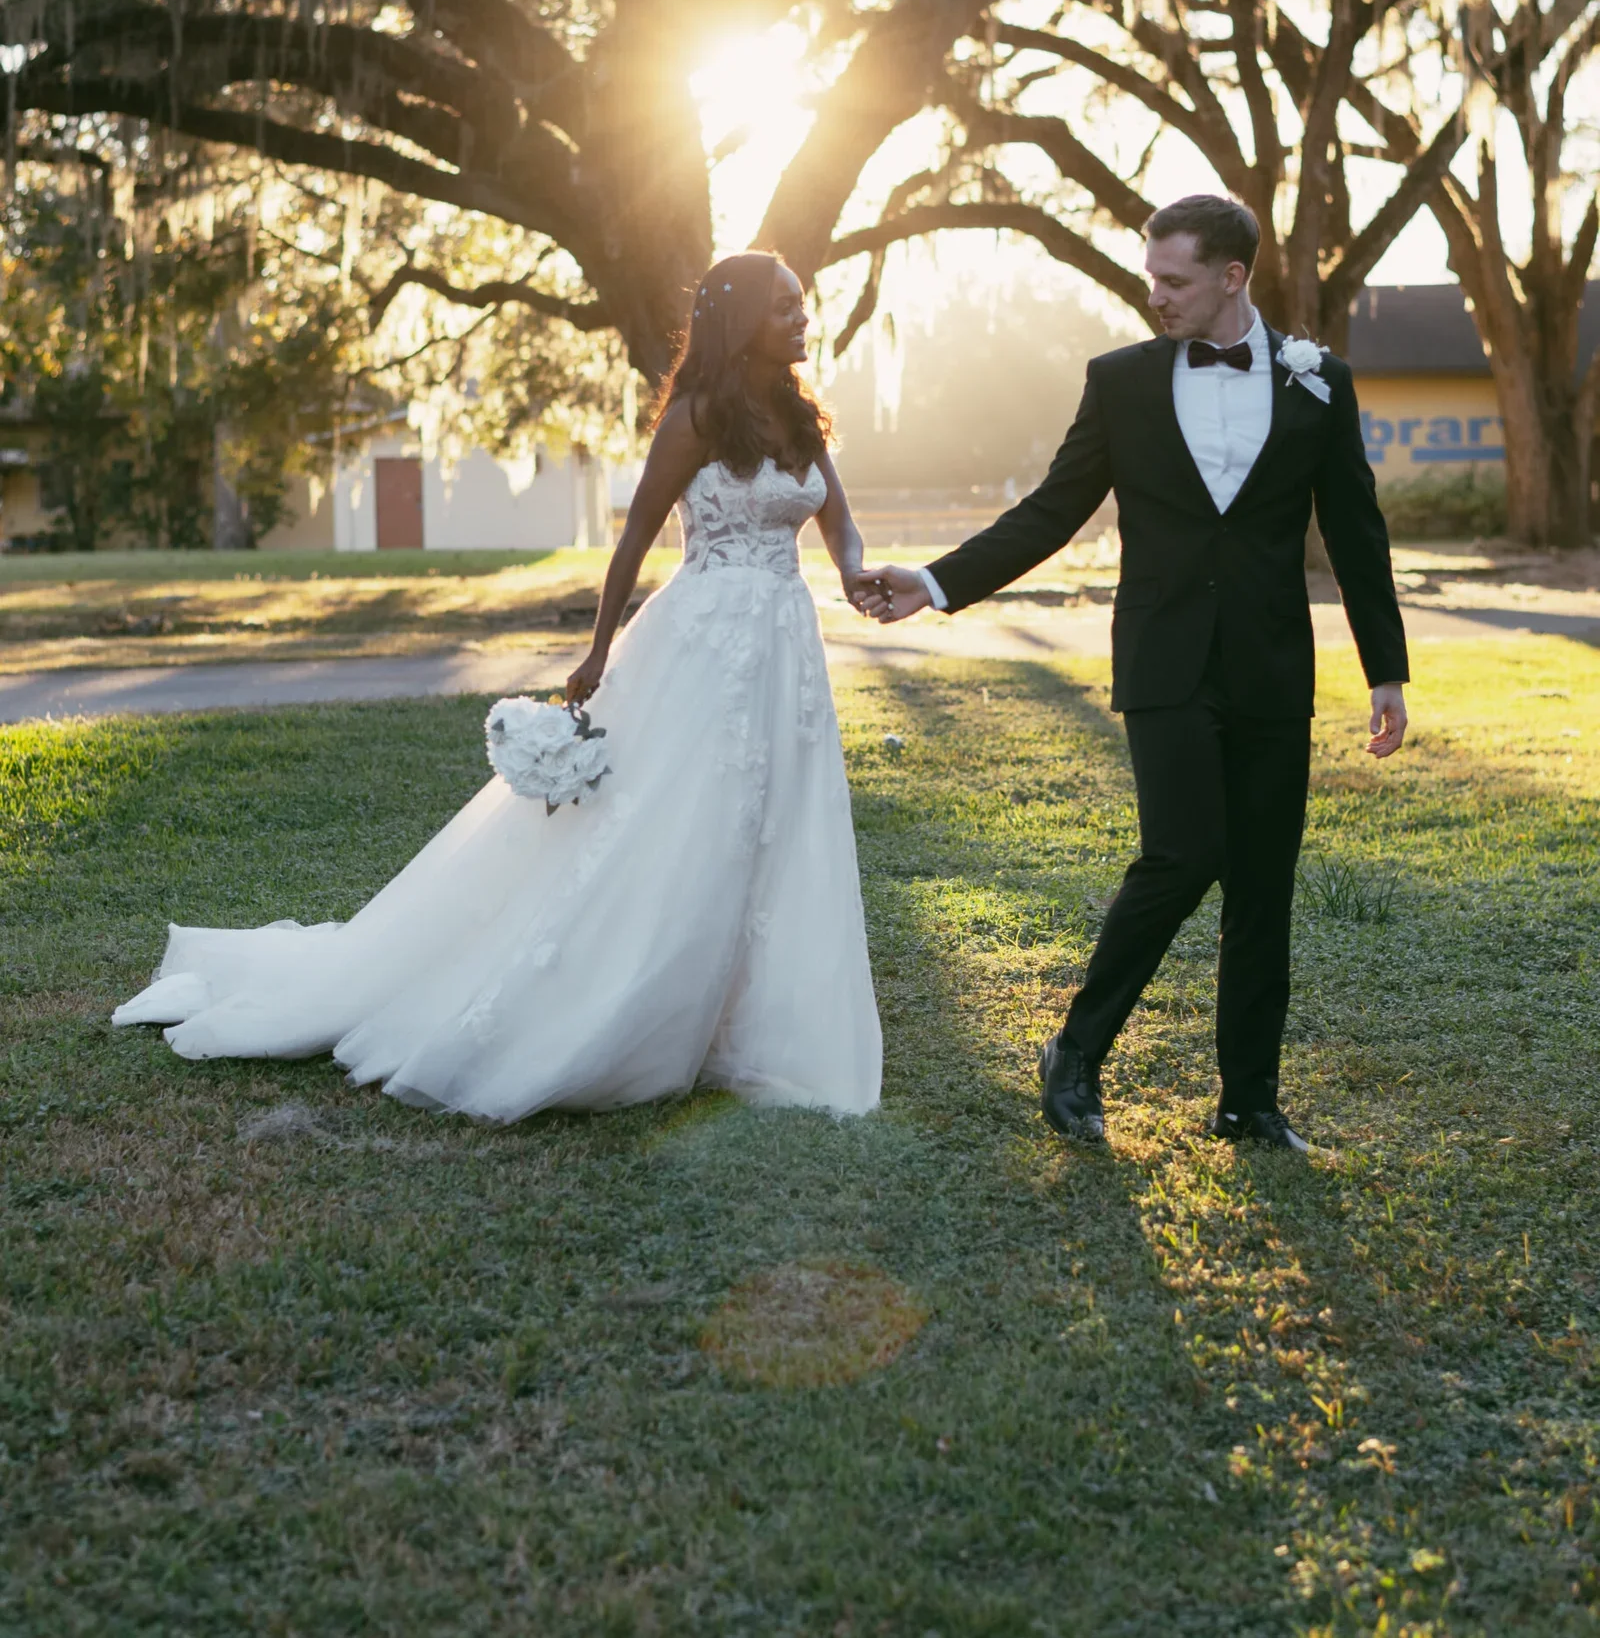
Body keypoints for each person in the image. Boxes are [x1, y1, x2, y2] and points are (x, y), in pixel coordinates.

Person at [114, 253, 883, 1121]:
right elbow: (635, 536)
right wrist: (598, 652)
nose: (802, 317)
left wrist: (856, 573)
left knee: (773, 816)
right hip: (703, 643)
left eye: (801, 305)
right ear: (741, 322)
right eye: (785, 307)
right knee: (684, 816)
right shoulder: (698, 418)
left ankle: (743, 1013)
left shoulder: (801, 414)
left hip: (786, 645)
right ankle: (632, 999)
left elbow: (839, 523)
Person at [858, 194, 1409, 1152]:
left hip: (1273, 666)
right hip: (1164, 660)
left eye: (1174, 280)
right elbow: (1051, 510)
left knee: (1263, 884)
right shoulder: (1120, 382)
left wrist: (1385, 671)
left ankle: (1249, 1101)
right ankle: (1075, 1051)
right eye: (1151, 276)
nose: (1155, 294)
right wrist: (937, 583)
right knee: (1183, 853)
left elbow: (1357, 530)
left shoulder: (1320, 382)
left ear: (1231, 278)